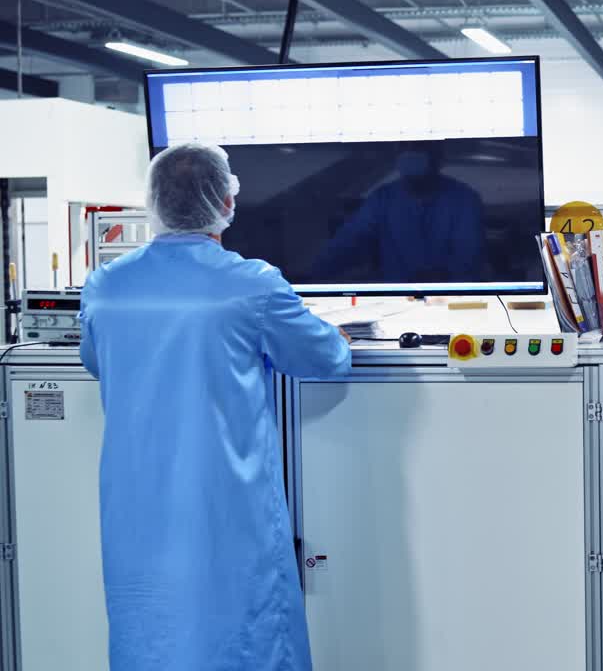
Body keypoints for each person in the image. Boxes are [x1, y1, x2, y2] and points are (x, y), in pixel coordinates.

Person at [79, 142, 352, 670]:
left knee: (148, 628)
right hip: (226, 503)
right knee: (244, 628)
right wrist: (338, 332)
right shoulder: (250, 285)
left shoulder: (105, 286)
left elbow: (97, 362)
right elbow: (324, 358)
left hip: (135, 504)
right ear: (226, 203)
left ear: (153, 202)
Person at [308, 146, 484, 283]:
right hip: (394, 297)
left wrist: (440, 277)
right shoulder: (383, 198)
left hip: (452, 296)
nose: (411, 153)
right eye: (405, 148)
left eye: (418, 148)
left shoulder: (464, 199)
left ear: (437, 157)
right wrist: (311, 276)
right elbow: (349, 241)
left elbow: (468, 254)